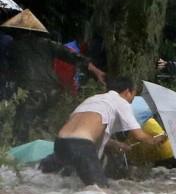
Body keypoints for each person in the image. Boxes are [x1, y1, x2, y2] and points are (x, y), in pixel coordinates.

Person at [1, 11, 106, 141]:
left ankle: (21, 157)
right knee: (44, 127)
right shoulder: (47, 44)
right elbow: (74, 56)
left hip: (30, 92)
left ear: (16, 31)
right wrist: (97, 71)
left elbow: (8, 70)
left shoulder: (13, 47)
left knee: (20, 131)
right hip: (53, 91)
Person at [51, 77, 166, 187]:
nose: (132, 100)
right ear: (127, 91)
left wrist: (115, 144)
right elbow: (139, 135)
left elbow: (87, 131)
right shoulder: (121, 102)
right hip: (82, 147)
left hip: (60, 143)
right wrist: (157, 139)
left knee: (56, 181)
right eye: (134, 95)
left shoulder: (93, 99)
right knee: (101, 191)